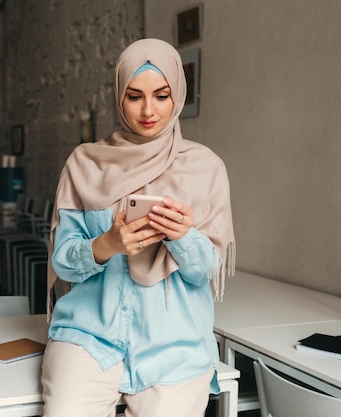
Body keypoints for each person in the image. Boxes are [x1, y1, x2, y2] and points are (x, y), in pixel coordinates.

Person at [41, 38, 235, 417]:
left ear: (177, 94)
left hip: (176, 344)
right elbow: (62, 261)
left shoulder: (206, 167)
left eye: (161, 96)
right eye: (134, 96)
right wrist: (106, 244)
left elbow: (205, 271)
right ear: (119, 96)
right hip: (88, 336)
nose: (149, 110)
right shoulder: (84, 163)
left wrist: (182, 236)